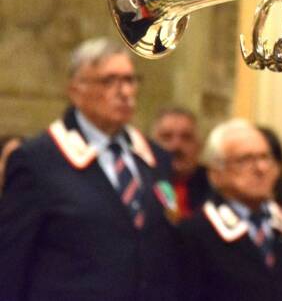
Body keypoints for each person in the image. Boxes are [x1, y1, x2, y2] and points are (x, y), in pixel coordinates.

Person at [0, 37, 182, 300]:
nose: (125, 92)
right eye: (109, 81)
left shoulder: (154, 157)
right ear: (76, 90)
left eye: (130, 80)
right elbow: (10, 262)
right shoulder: (37, 161)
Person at [179, 119, 282, 301]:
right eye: (245, 159)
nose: (261, 168)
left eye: (265, 157)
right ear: (215, 173)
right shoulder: (194, 232)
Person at [152, 106, 210, 218]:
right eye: (166, 137)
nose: (176, 146)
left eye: (186, 138)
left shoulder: (213, 187)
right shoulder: (138, 185)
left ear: (199, 146)